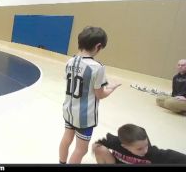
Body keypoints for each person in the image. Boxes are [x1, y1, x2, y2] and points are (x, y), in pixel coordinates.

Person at [59, 26, 121, 164]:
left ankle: (61, 162)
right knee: (81, 149)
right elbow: (100, 94)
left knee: (66, 139)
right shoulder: (97, 67)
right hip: (85, 116)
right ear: (98, 46)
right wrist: (112, 88)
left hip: (69, 110)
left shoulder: (70, 61)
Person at [92, 124, 186, 164]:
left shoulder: (152, 153)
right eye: (139, 149)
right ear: (124, 146)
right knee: (99, 149)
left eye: (146, 145)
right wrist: (96, 147)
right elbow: (99, 143)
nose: (145, 150)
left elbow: (176, 157)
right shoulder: (116, 142)